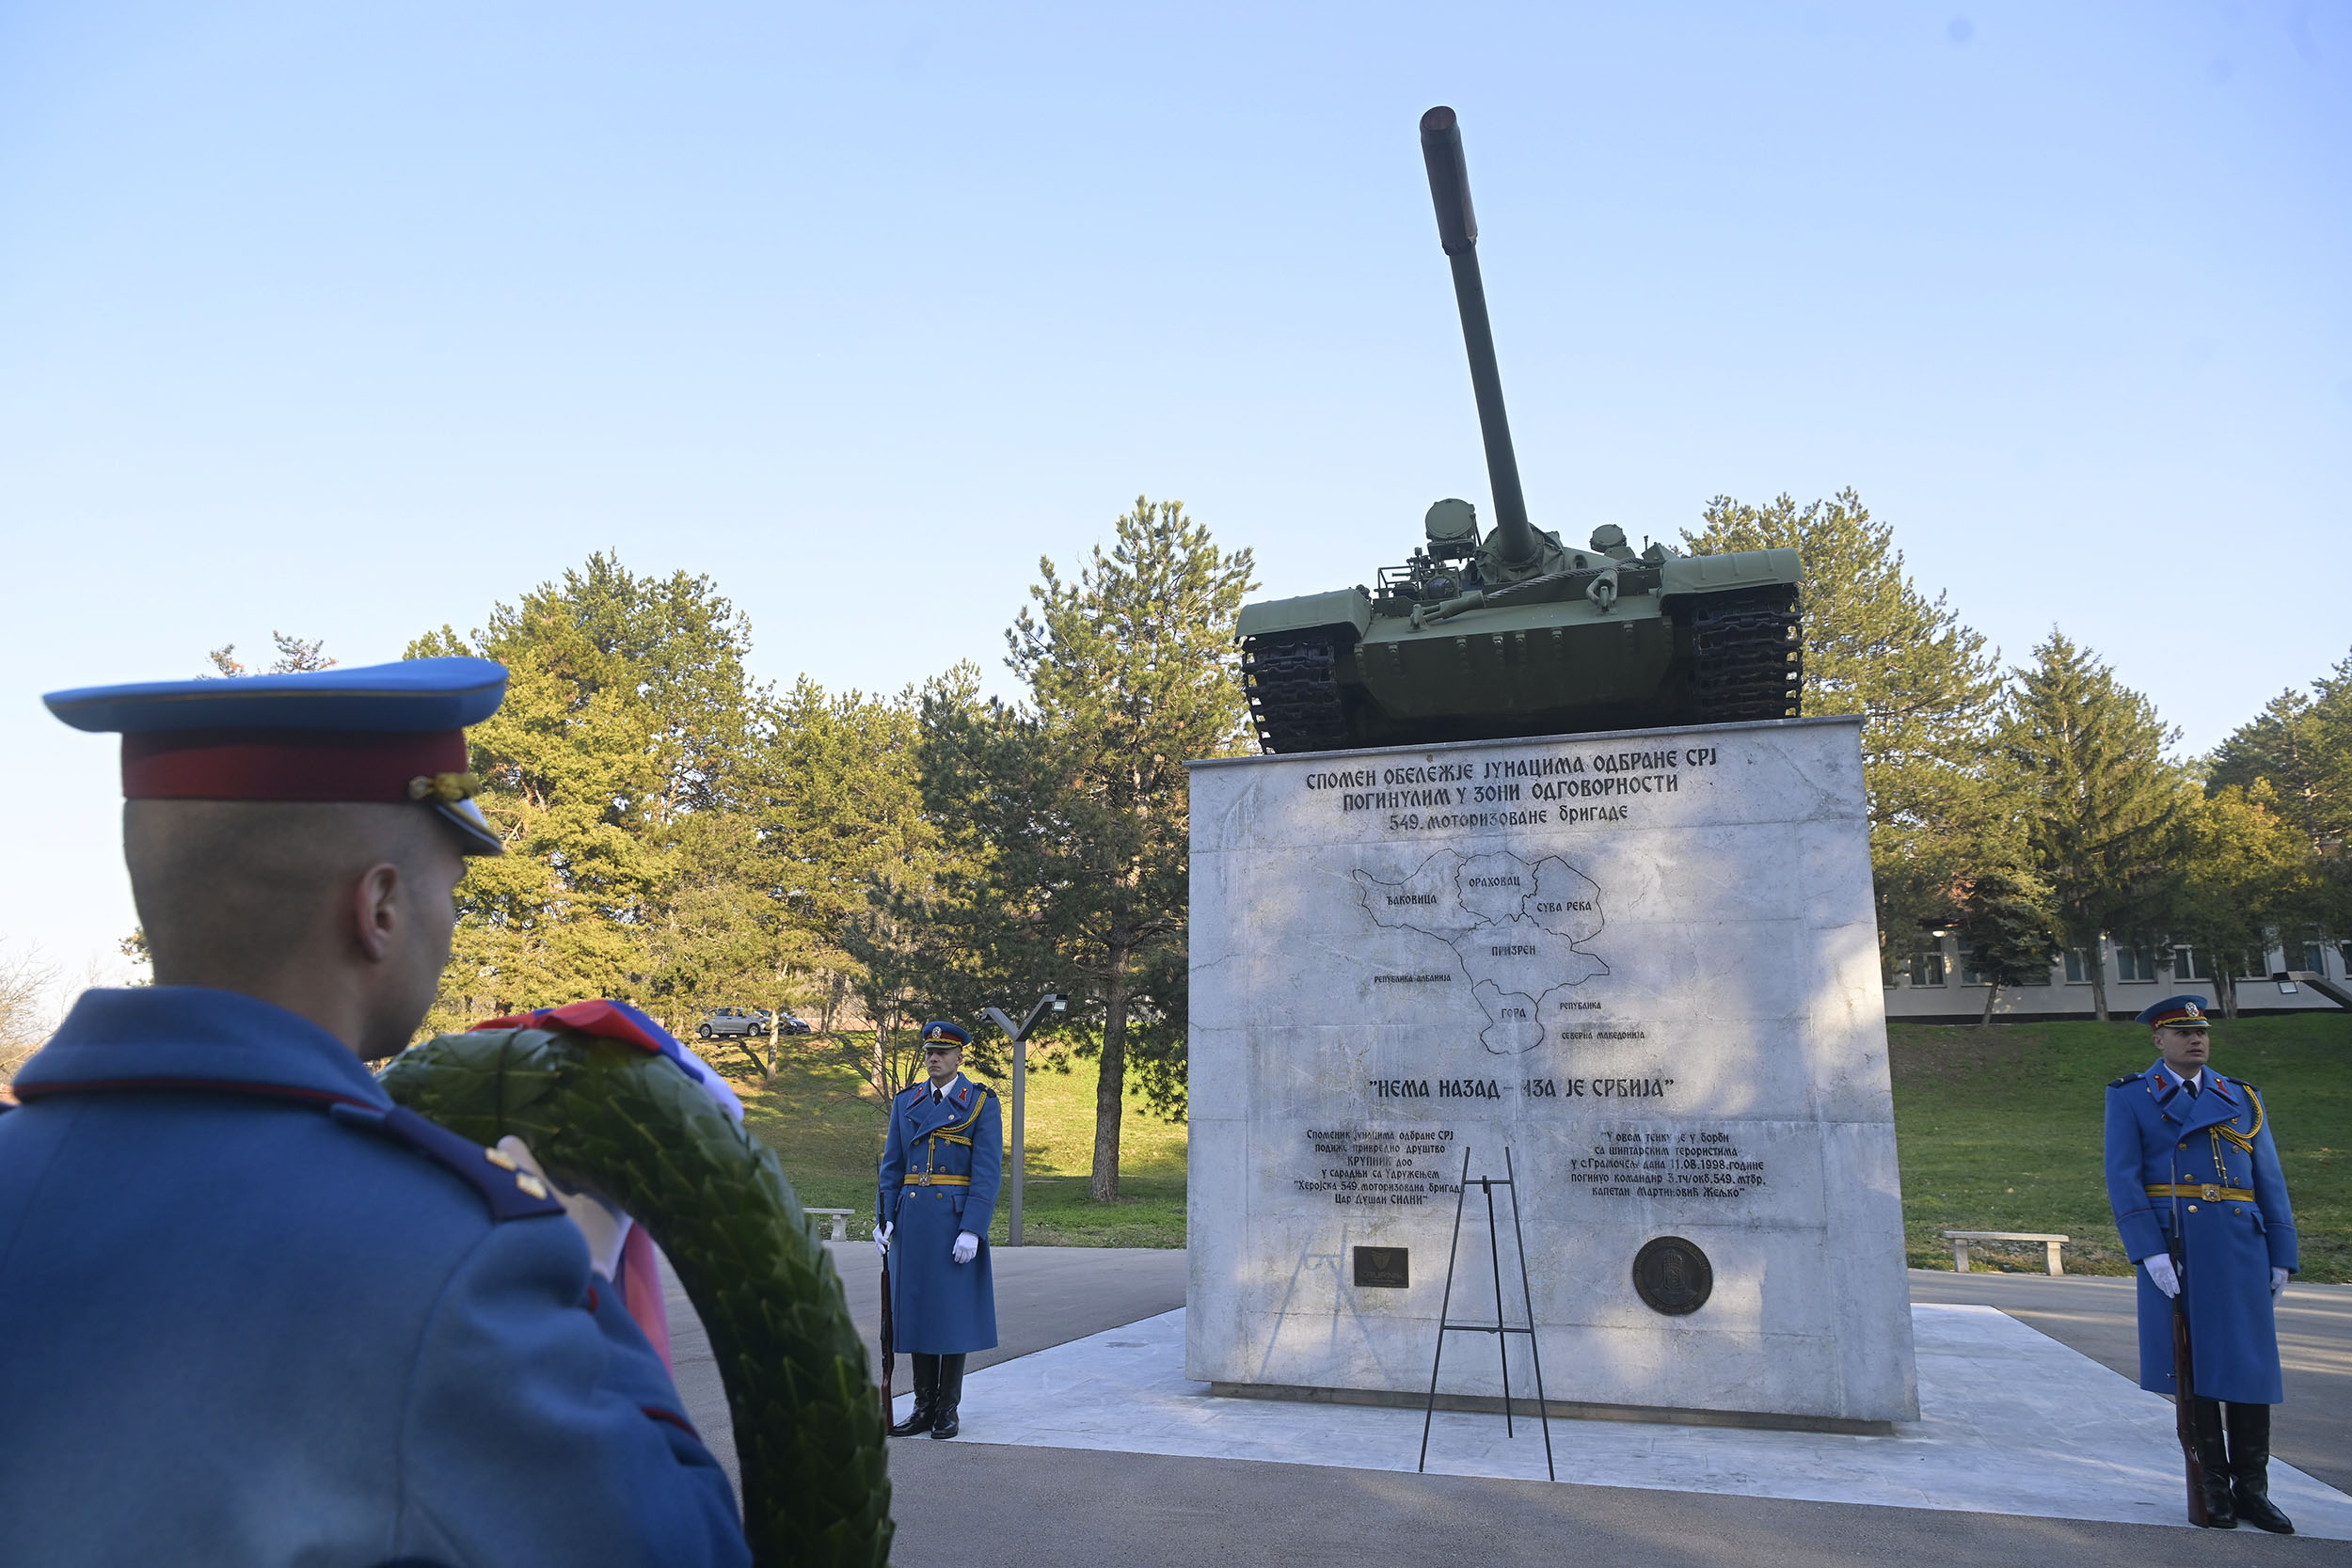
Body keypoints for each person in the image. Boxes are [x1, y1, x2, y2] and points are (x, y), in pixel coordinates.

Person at [0, 657, 750, 1568]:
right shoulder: (462, 1262)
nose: (452, 921)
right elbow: (686, 1547)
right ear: (381, 907)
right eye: (452, 886)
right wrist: (586, 1276)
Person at [2105, 994, 2298, 1533]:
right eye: (2183, 1032)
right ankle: (2212, 1487)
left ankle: (2253, 1491)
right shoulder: (2132, 1095)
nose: (2196, 1040)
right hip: (2179, 1245)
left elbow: (2269, 1178)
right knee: (2193, 1366)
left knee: (2249, 1366)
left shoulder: (2241, 1096)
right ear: (2158, 1040)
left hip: (2241, 1244)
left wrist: (2281, 1253)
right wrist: (2148, 1249)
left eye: (2203, 1032)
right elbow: (2122, 1176)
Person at [873, 1021, 1002, 1439]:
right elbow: (892, 1166)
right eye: (929, 1052)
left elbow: (987, 1172)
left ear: (959, 1057)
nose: (934, 1058)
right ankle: (922, 1405)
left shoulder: (979, 1103)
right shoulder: (906, 1102)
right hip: (913, 1222)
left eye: (943, 1052)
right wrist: (885, 1219)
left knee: (952, 1316)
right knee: (918, 1315)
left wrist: (973, 1228)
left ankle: (947, 1408)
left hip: (953, 1223)